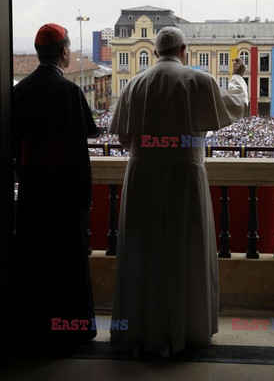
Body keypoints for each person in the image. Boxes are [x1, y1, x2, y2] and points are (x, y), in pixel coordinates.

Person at [109, 26, 248, 354]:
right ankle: (188, 328)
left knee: (145, 250)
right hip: (185, 175)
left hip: (142, 175)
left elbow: (124, 139)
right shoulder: (199, 81)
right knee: (186, 247)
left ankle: (142, 328)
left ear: (155, 52)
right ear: (184, 50)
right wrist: (238, 77)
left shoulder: (134, 84)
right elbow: (234, 106)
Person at [13, 23, 97, 352]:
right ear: (64, 53)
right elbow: (79, 152)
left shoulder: (21, 91)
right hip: (62, 192)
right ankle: (69, 331)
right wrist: (84, 197)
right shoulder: (69, 91)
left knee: (36, 262)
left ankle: (35, 329)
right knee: (66, 264)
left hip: (33, 189)